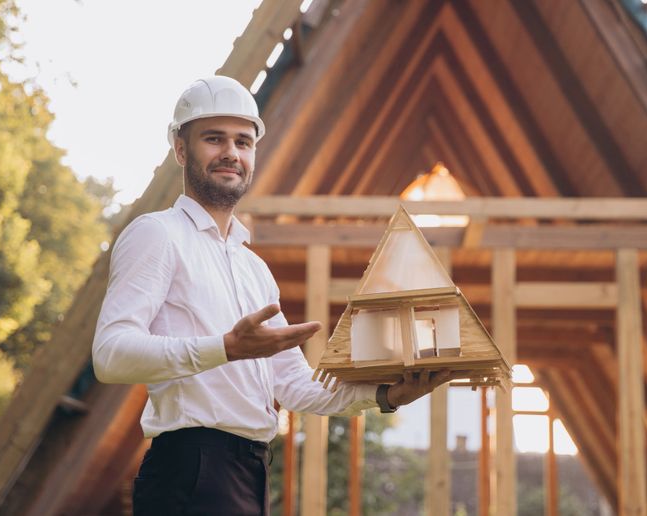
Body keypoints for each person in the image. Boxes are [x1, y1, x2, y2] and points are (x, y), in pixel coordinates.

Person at [92, 76, 450, 516]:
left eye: (243, 142)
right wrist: (225, 348)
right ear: (181, 149)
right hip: (191, 469)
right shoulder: (156, 234)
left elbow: (295, 386)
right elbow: (110, 355)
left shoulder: (254, 269)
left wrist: (385, 395)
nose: (231, 153)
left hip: (250, 470)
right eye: (214, 139)